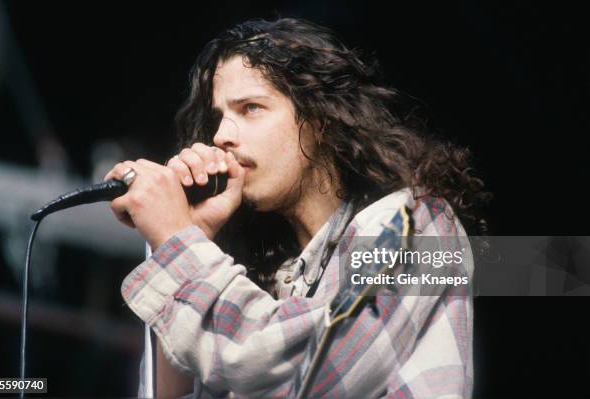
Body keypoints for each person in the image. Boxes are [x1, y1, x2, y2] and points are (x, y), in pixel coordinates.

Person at [104, 17, 488, 398]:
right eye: (219, 116)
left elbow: (315, 371)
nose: (221, 136)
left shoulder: (419, 226)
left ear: (320, 120)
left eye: (251, 108)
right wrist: (193, 234)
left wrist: (177, 243)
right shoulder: (262, 278)